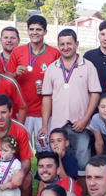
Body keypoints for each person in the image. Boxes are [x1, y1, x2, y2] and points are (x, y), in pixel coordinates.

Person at [41, 29, 101, 177]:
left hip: (80, 125)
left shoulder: (88, 66)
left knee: (82, 168)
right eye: (62, 44)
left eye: (69, 43)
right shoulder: (51, 69)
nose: (65, 47)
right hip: (58, 126)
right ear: (58, 45)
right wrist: (44, 125)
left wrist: (85, 119)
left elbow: (95, 94)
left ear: (76, 44)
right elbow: (47, 98)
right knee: (58, 166)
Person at [10, 15, 60, 150]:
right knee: (18, 149)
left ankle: (44, 171)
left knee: (45, 150)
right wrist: (15, 74)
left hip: (43, 113)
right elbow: (7, 77)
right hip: (21, 110)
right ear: (27, 31)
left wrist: (48, 87)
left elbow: (61, 82)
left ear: (45, 32)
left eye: (39, 29)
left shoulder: (54, 54)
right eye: (31, 29)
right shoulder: (18, 51)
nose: (34, 32)